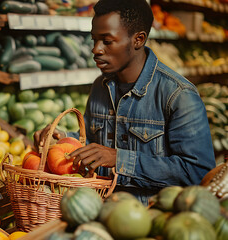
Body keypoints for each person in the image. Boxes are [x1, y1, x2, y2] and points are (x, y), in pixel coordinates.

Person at [34, 0, 216, 205]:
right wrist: (63, 140)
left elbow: (197, 172)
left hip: (149, 220)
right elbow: (94, 142)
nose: (96, 49)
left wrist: (120, 160)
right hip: (99, 211)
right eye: (94, 40)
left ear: (138, 40)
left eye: (107, 41)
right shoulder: (100, 87)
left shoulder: (178, 95)